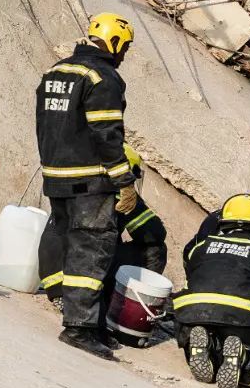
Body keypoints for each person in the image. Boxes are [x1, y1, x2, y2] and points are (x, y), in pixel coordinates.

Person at [35, 12, 138, 360]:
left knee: (70, 243)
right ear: (115, 41)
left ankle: (90, 323)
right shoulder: (102, 77)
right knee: (91, 250)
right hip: (90, 179)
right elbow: (106, 135)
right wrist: (124, 181)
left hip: (56, 175)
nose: (124, 55)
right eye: (125, 47)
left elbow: (44, 126)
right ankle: (78, 328)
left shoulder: (56, 72)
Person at [39, 143, 168, 344]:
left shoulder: (76, 184)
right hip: (80, 281)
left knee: (103, 238)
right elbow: (155, 234)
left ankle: (75, 302)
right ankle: (122, 312)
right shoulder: (115, 192)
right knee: (155, 250)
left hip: (53, 281)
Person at [173, 194, 250, 388]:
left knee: (203, 342)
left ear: (223, 224)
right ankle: (244, 357)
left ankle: (200, 345)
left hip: (193, 315)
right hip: (241, 320)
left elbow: (190, 280)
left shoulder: (200, 246)